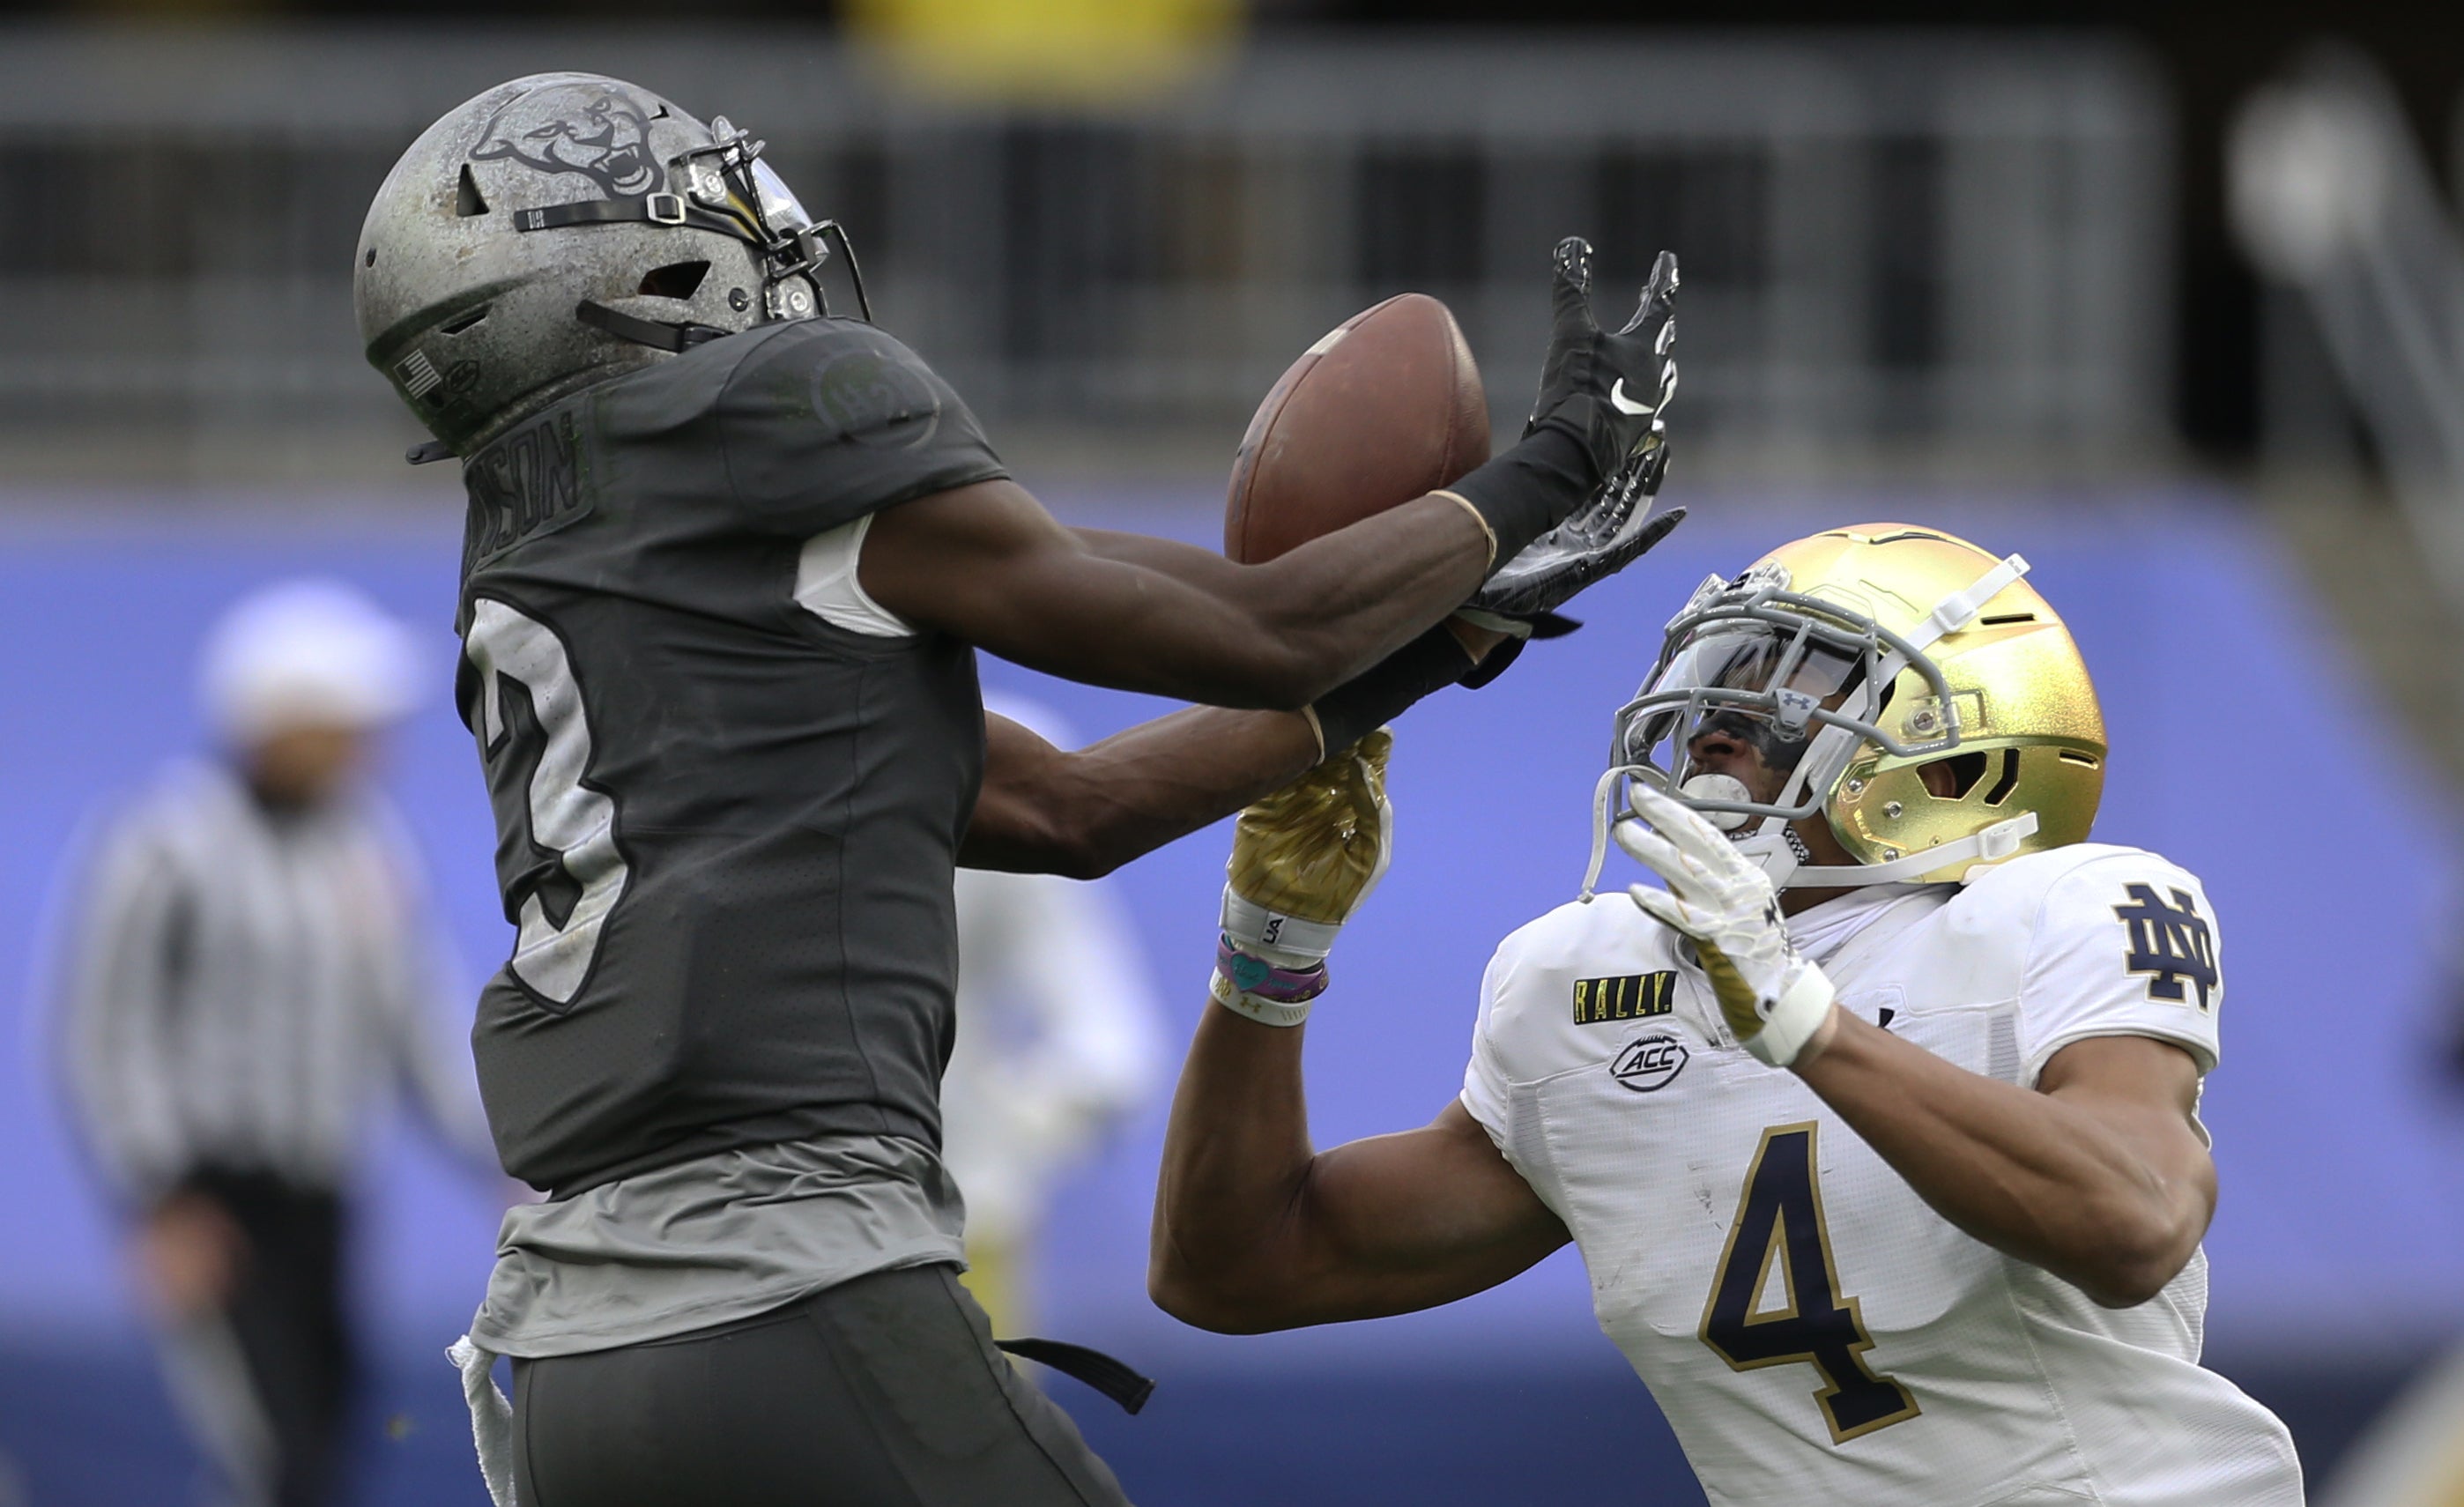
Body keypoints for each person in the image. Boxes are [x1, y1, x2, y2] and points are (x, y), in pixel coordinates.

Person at [353, 71, 1684, 1507]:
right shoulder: (777, 406)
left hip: (577, 1372)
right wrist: (1550, 468)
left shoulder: (561, 542)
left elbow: (1066, 812)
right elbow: (1261, 631)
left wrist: (1442, 639)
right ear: (629, 264)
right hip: (792, 1290)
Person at [1152, 523, 2308, 1506]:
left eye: (1802, 671)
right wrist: (1272, 945)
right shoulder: (1586, 977)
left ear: (1961, 749)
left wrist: (1806, 1022)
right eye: (1729, 659)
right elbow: (1238, 1266)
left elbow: (2136, 1222)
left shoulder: (2061, 905)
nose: (1722, 709)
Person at [56, 579, 492, 1507]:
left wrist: (507, 1156)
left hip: (328, 1194)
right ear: (276, 719)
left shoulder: (366, 845)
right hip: (218, 1197)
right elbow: (104, 1026)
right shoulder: (167, 844)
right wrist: (160, 1197)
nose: (367, 743)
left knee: (332, 1432)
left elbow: (415, 1020)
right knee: (274, 1451)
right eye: (342, 718)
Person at [945, 694, 1162, 1336]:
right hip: (705, 1249)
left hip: (950, 1233)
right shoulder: (661, 735)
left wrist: (993, 1135)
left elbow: (1111, 1044)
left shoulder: (989, 754)